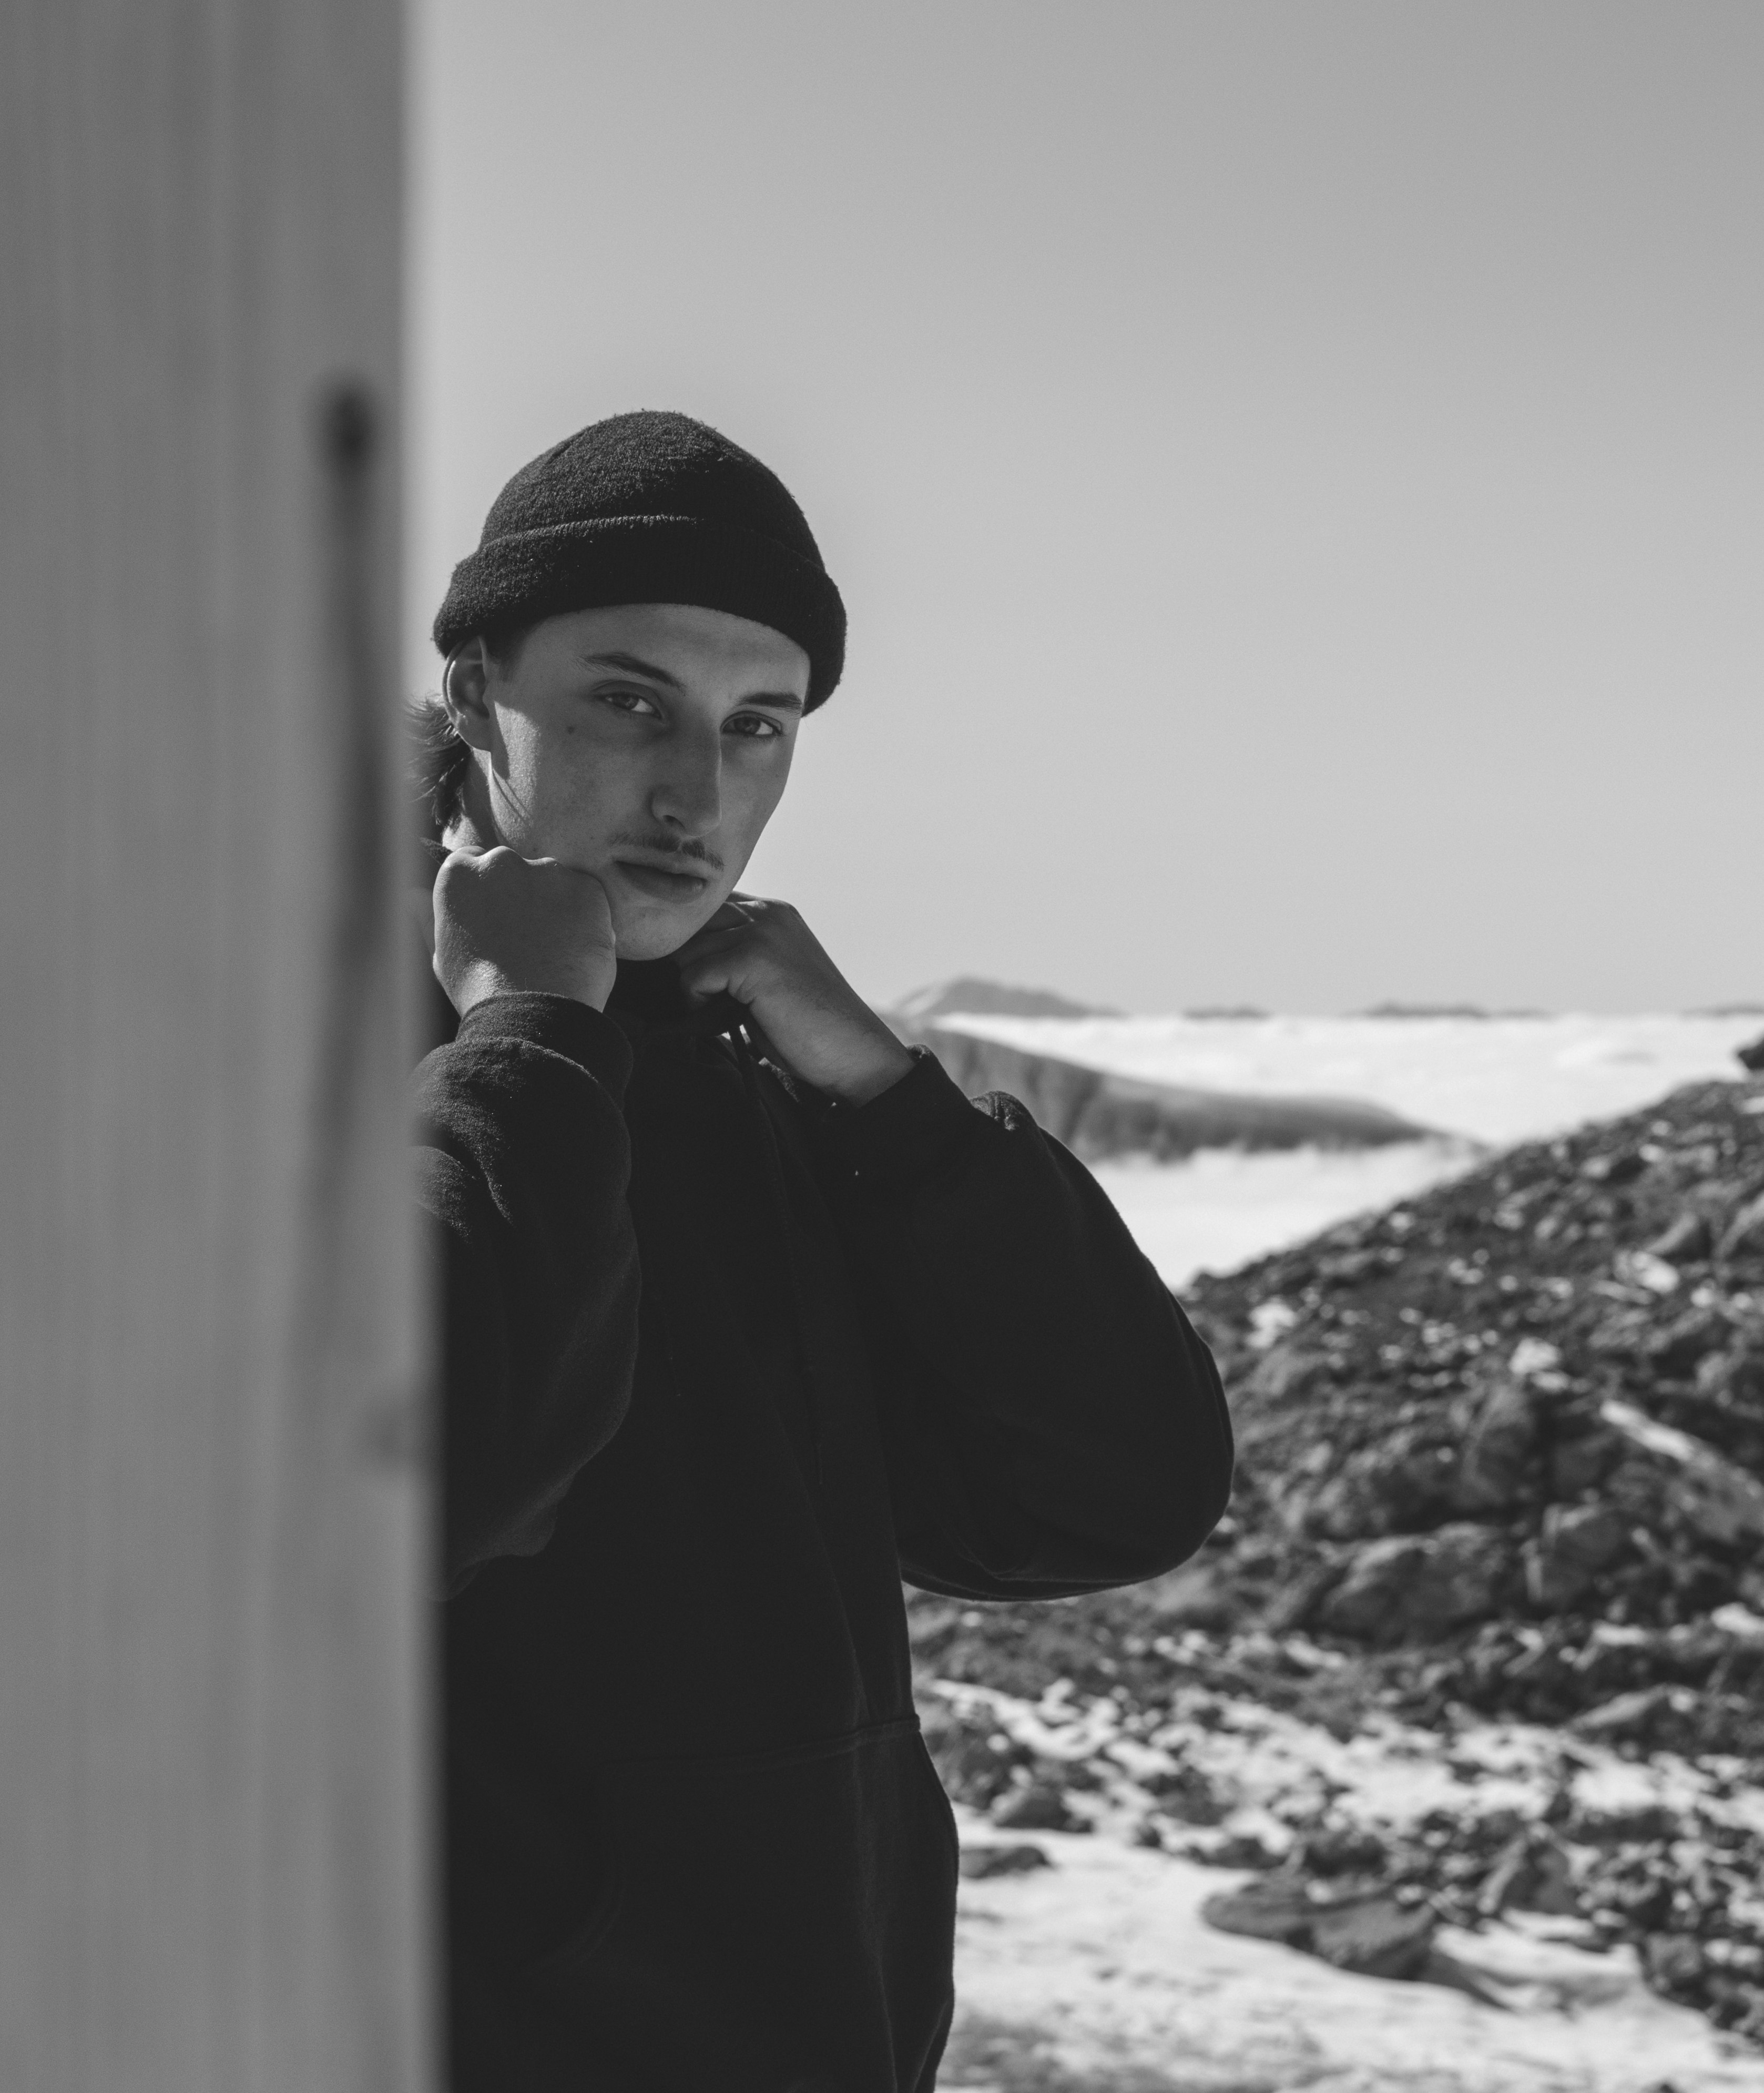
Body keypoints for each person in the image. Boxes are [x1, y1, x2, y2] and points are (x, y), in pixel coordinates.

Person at [411, 410, 1233, 2092]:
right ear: (477, 688)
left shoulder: (750, 1076)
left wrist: (885, 1093)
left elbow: (1116, 1487)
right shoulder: (278, 1042)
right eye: (626, 698)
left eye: (757, 723)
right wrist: (530, 1034)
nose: (695, 789)